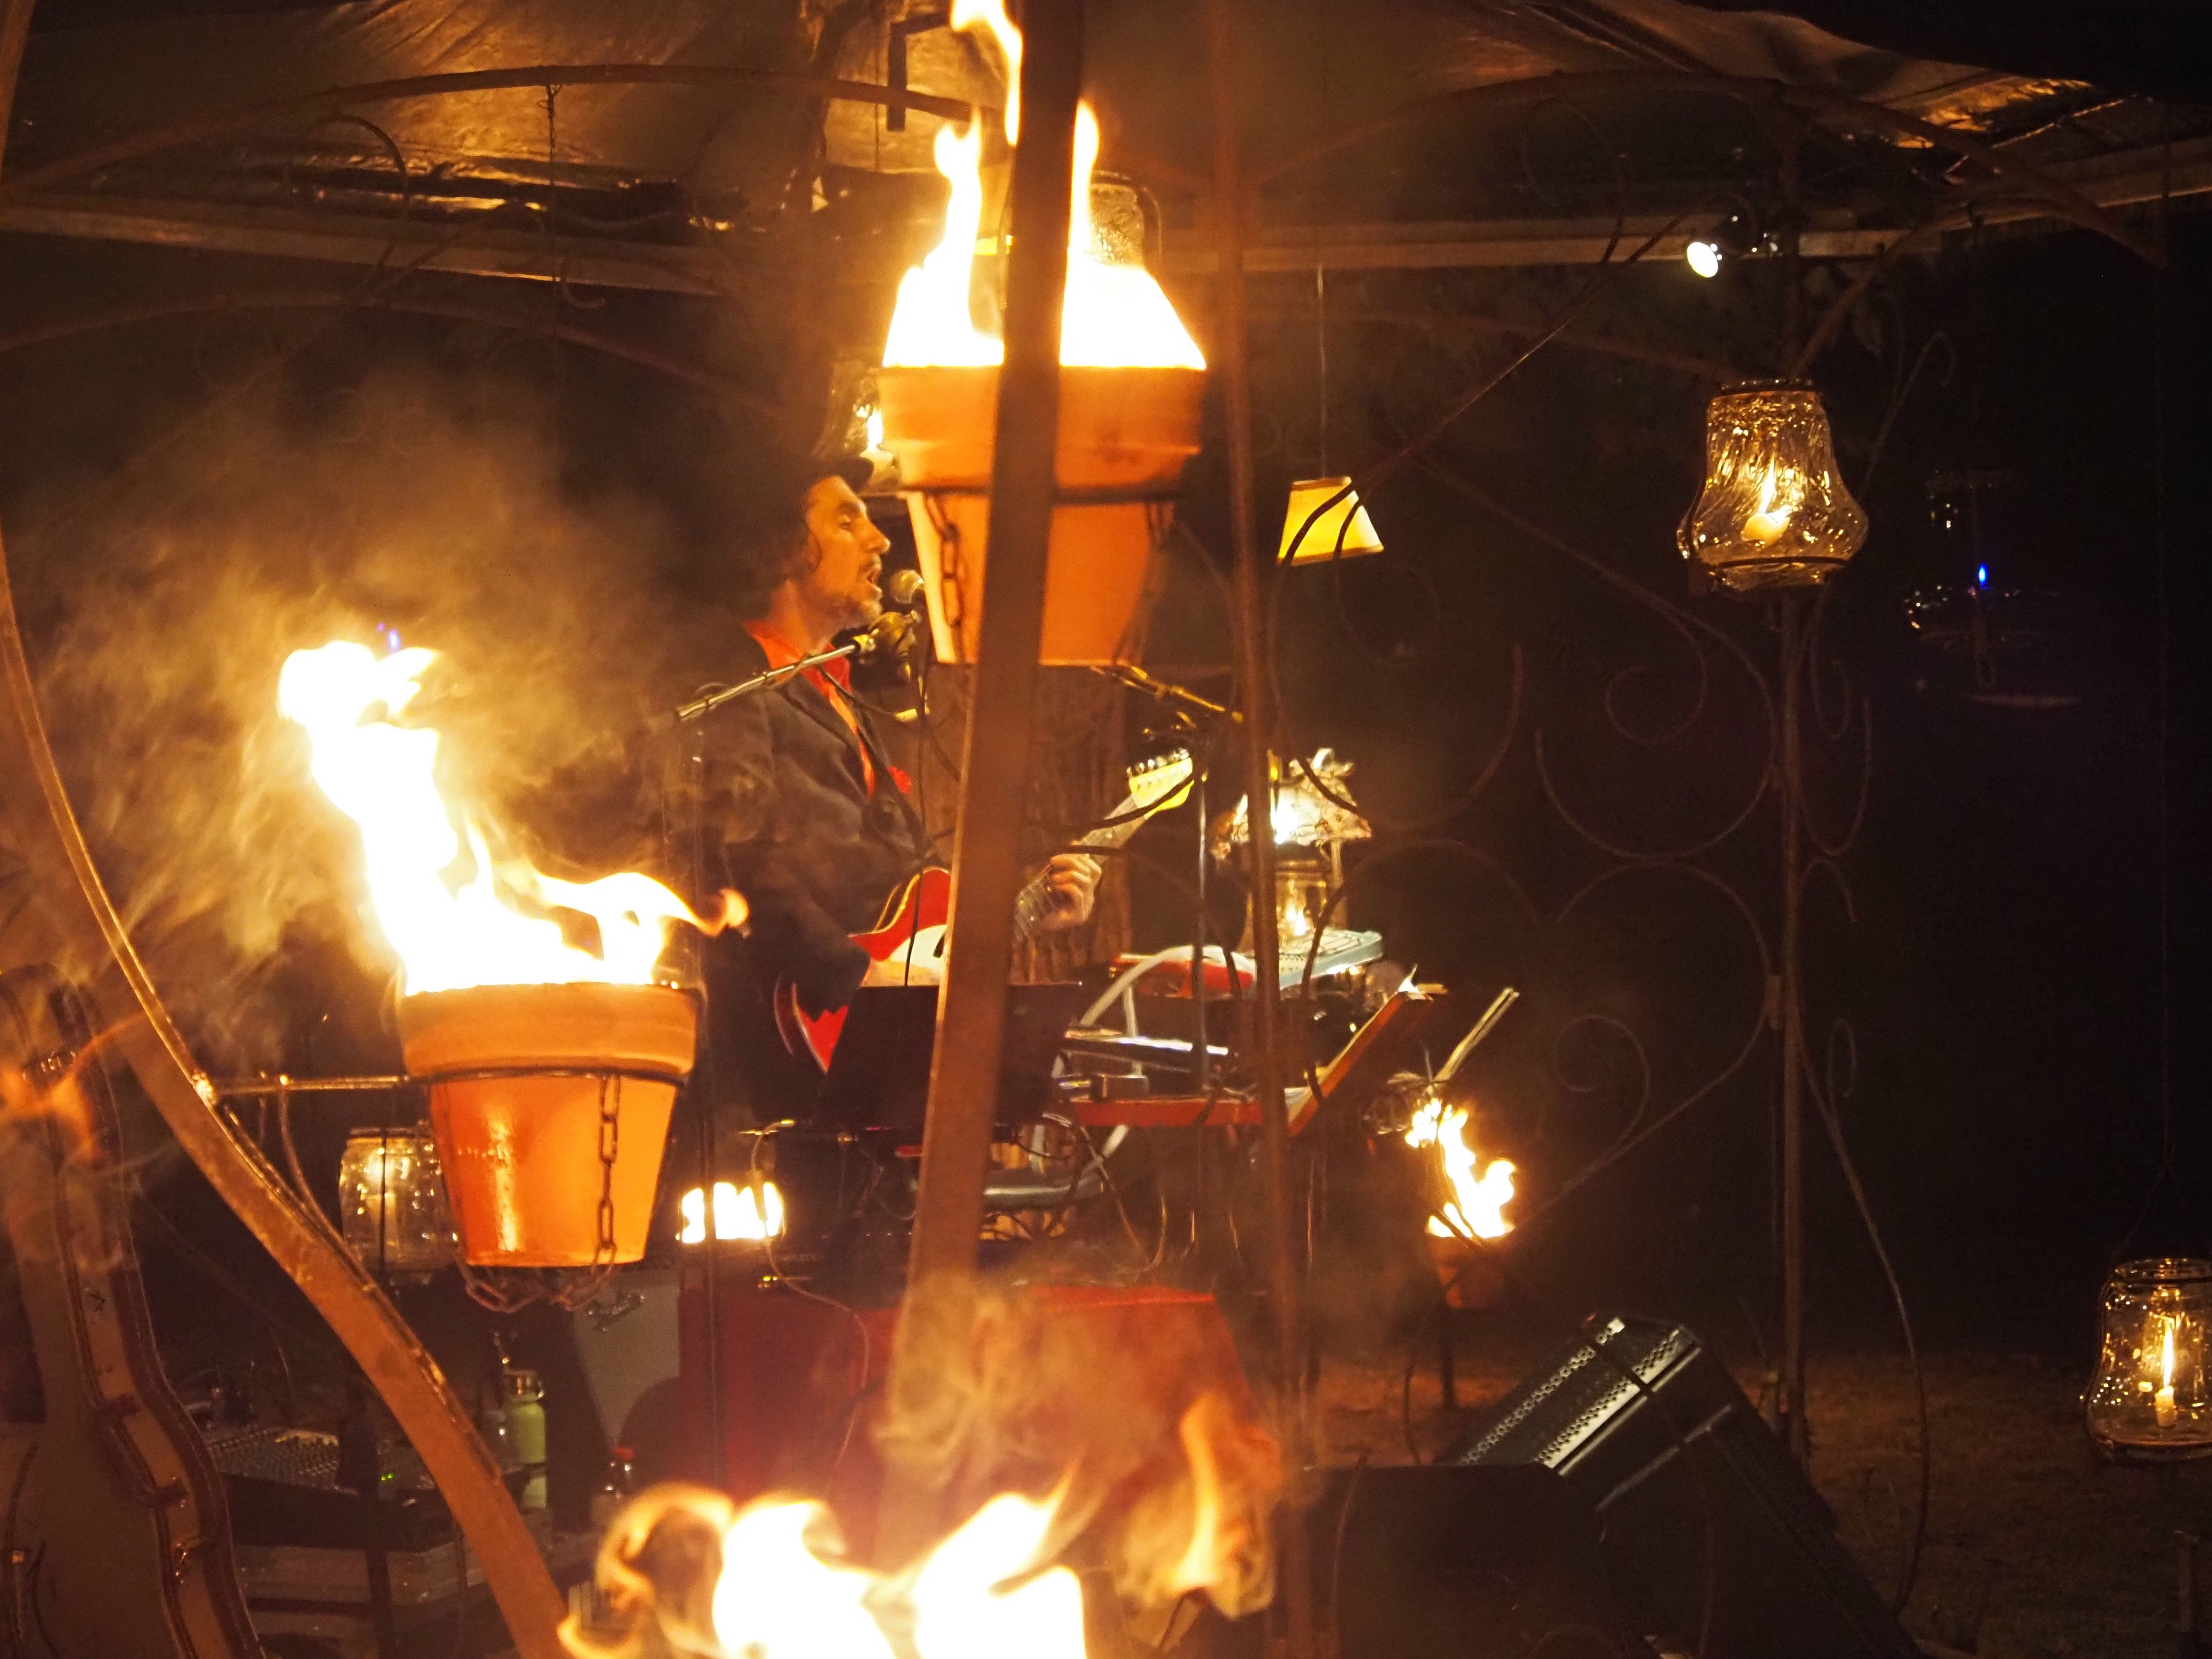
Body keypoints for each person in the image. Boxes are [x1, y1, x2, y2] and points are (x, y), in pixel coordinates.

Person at [694, 456, 1100, 1115]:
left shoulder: (840, 693)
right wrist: (853, 976)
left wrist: (1024, 914)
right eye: (846, 521)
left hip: (873, 1047)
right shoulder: (736, 684)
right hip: (789, 1054)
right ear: (788, 549)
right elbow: (739, 857)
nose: (880, 540)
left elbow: (904, 915)